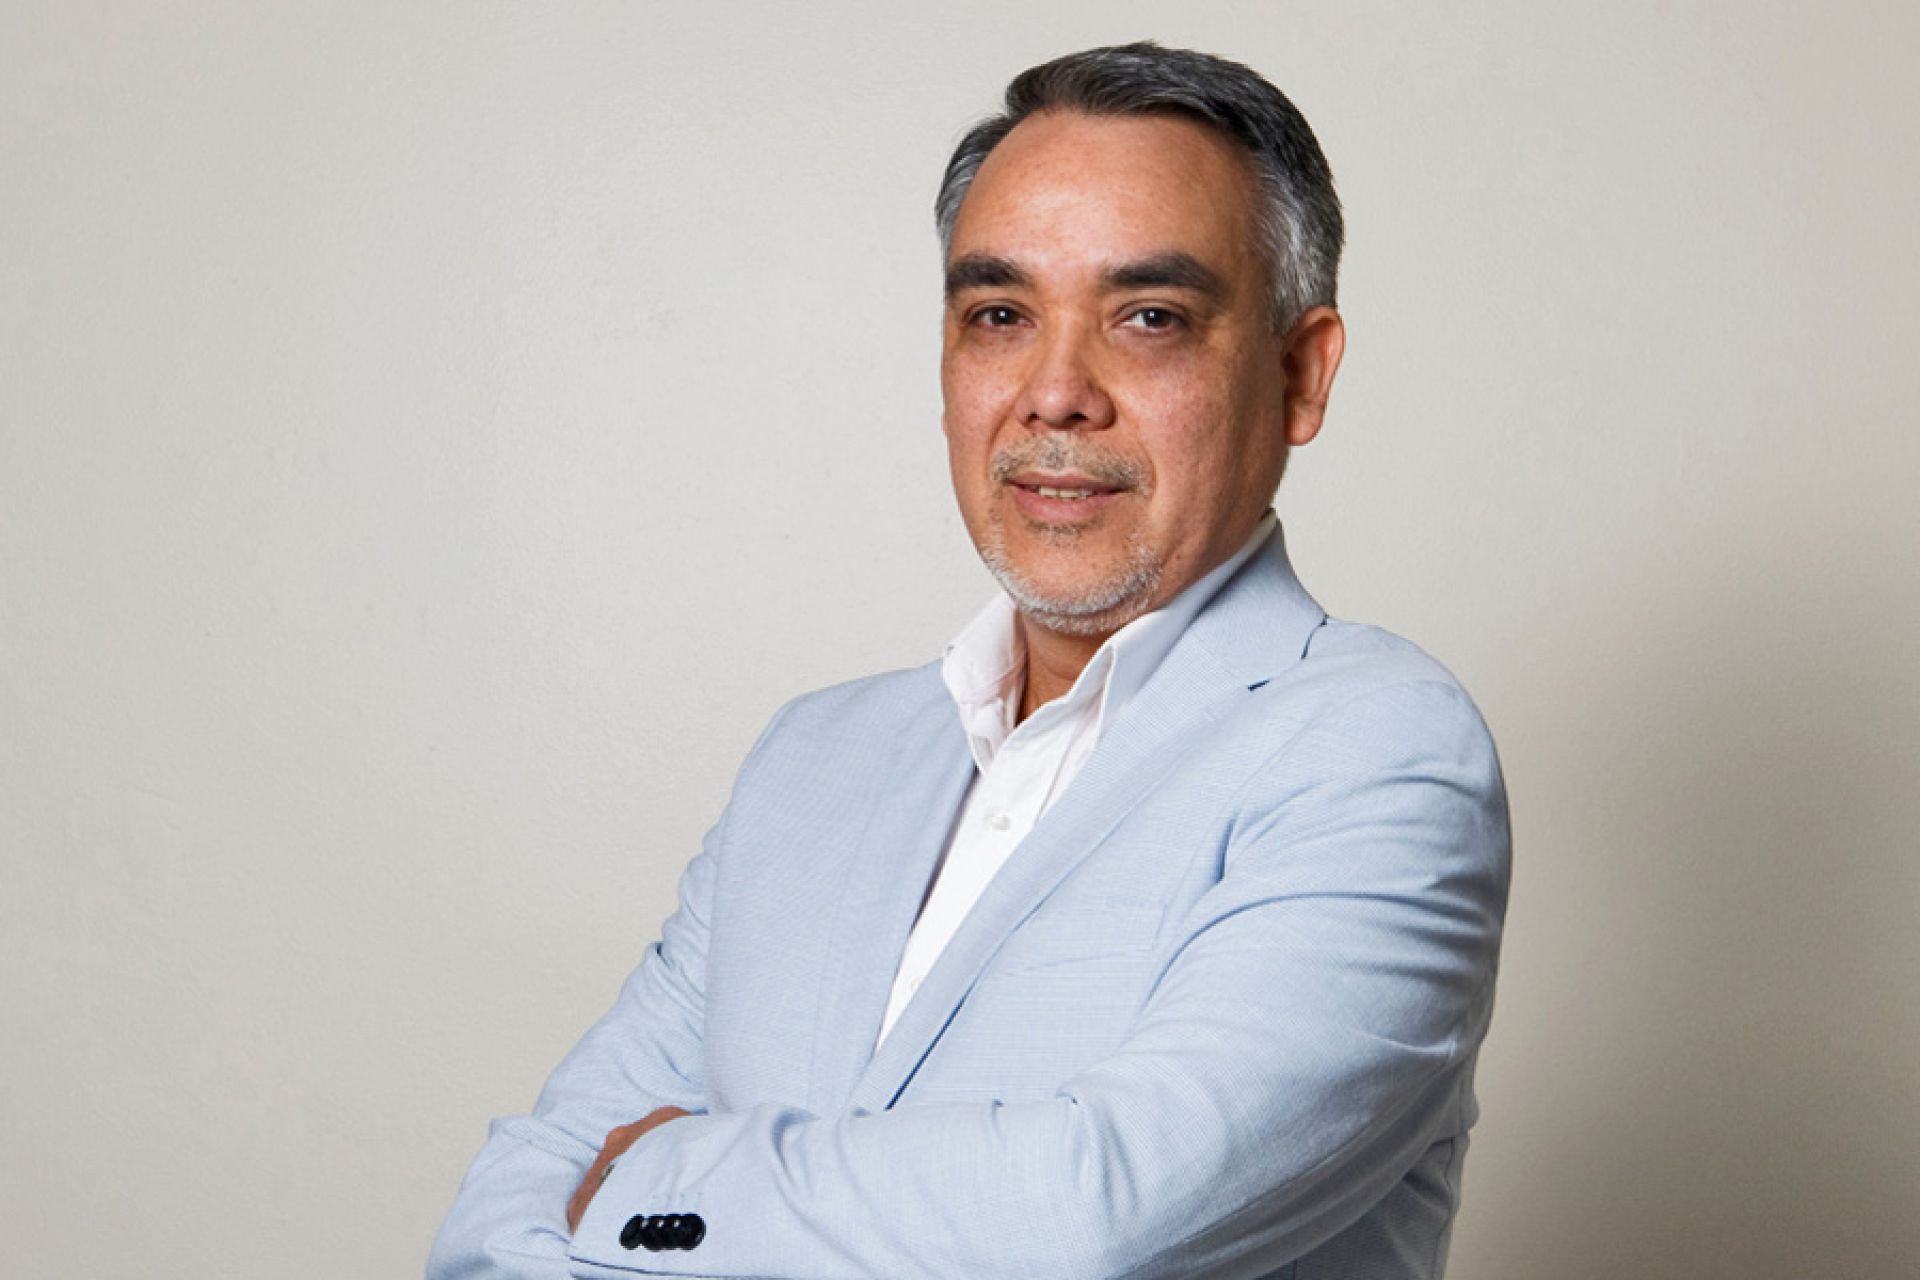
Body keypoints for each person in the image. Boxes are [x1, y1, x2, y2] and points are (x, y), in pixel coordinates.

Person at [428, 41, 1510, 1280]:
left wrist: (663, 1181)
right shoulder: (813, 760)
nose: (1055, 393)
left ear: (1298, 374)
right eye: (1000, 315)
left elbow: (1094, 1220)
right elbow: (500, 1217)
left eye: (1149, 317)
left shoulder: (1378, 751)